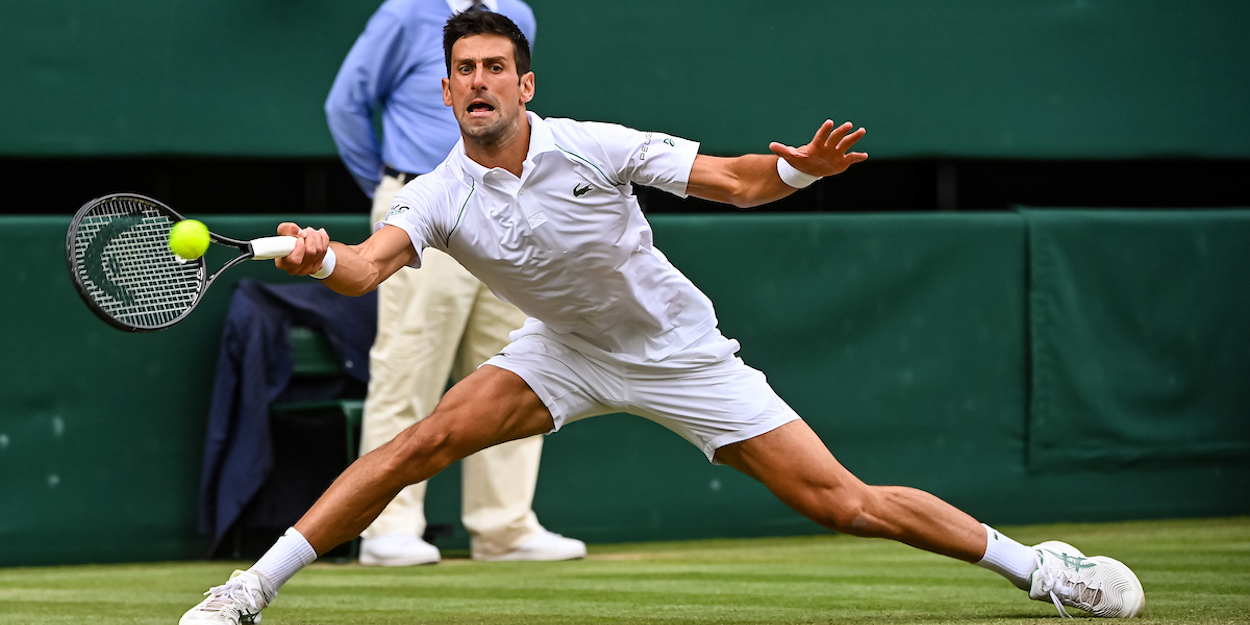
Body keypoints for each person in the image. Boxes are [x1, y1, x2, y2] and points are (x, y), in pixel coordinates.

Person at [180, 10, 1145, 624]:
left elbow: (730, 178)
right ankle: (248, 591)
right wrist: (320, 254)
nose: (476, 82)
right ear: (444, 90)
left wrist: (799, 168)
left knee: (840, 502)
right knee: (415, 445)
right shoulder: (435, 193)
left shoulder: (595, 146)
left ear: (524, 84)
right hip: (562, 353)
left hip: (678, 354)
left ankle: (1039, 569)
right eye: (461, 70)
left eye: (493, 67)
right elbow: (364, 269)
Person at [325, 0, 585, 565]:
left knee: (516, 366)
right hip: (423, 210)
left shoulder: (517, 13)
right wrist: (395, 191)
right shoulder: (403, 14)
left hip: (502, 209)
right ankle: (388, 527)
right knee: (409, 363)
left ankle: (504, 526)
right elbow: (346, 105)